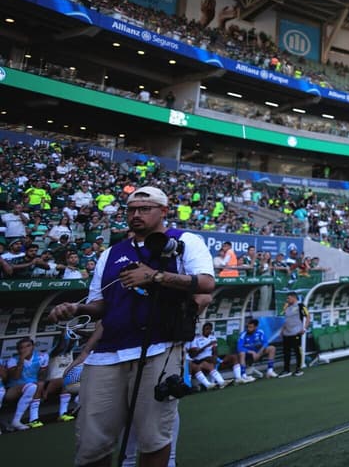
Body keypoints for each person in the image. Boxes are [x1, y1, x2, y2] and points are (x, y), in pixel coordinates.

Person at [47, 186, 215, 467]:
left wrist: (156, 276)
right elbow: (102, 305)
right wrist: (76, 308)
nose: (136, 215)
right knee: (91, 443)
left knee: (154, 437)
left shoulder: (185, 240)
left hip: (158, 348)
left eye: (144, 209)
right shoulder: (111, 253)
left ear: (163, 211)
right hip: (107, 353)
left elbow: (207, 284)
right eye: (131, 210)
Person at [3, 337, 49, 429]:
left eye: (28, 346)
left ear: (33, 347)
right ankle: (16, 421)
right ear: (18, 350)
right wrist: (21, 359)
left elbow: (42, 375)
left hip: (33, 387)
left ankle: (34, 419)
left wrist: (44, 389)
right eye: (22, 347)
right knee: (31, 387)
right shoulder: (13, 360)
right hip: (13, 389)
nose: (25, 349)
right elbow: (16, 377)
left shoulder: (42, 357)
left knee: (36, 385)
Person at [232, 317, 277, 382]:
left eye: (251, 327)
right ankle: (243, 375)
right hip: (248, 355)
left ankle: (270, 371)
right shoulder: (243, 334)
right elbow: (239, 347)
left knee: (272, 348)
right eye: (248, 327)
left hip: (258, 353)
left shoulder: (260, 332)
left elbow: (265, 343)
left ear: (255, 327)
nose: (248, 329)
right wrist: (251, 352)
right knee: (242, 353)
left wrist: (259, 353)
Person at [187, 323, 227, 390]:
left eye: (209, 329)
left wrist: (215, 355)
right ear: (202, 330)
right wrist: (207, 345)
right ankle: (216, 382)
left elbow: (215, 350)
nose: (207, 330)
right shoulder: (196, 338)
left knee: (213, 361)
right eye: (206, 329)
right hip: (199, 359)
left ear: (211, 330)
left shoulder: (213, 337)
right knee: (209, 361)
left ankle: (219, 382)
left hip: (209, 358)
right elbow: (194, 354)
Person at [279, 291, 310, 376]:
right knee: (286, 352)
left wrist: (304, 328)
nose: (287, 299)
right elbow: (286, 320)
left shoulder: (301, 306)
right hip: (286, 333)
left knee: (297, 351)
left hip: (296, 333)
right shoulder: (287, 307)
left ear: (293, 297)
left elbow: (308, 316)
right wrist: (282, 331)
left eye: (288, 298)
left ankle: (298, 369)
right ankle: (286, 370)